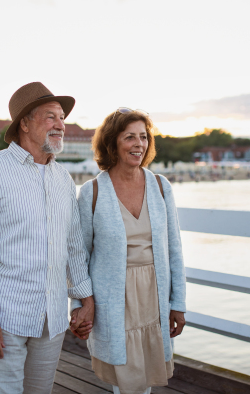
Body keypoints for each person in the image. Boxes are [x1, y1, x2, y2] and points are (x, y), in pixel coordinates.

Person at [0, 82, 95, 394]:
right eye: (51, 117)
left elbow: (72, 246)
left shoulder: (63, 178)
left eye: (61, 117)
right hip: (6, 315)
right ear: (24, 123)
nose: (61, 124)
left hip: (53, 316)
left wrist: (85, 300)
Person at [73, 108, 186, 394]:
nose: (139, 144)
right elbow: (79, 256)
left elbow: (174, 250)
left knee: (144, 375)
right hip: (113, 297)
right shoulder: (92, 192)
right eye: (130, 137)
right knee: (126, 379)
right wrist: (78, 306)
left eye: (144, 137)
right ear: (112, 143)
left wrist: (178, 303)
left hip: (154, 294)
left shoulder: (161, 187)